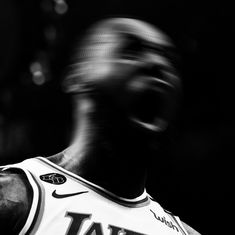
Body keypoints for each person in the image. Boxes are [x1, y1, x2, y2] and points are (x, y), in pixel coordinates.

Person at [0, 17, 201, 235]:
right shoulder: (13, 194)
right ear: (77, 76)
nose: (157, 64)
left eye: (168, 59)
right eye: (132, 51)